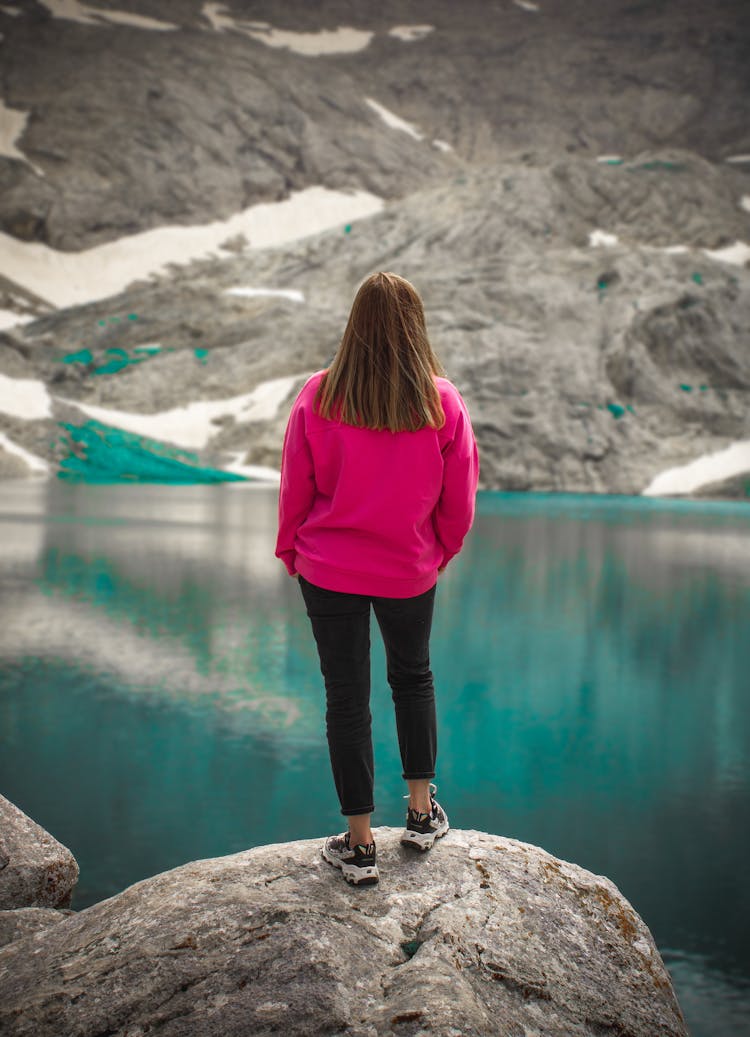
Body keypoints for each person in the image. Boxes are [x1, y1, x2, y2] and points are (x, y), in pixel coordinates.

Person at [274, 271, 479, 887]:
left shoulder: (320, 393)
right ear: (415, 327)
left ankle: (360, 846)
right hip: (408, 566)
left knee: (346, 697)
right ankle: (420, 815)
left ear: (354, 325)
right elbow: (460, 495)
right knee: (412, 678)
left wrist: (292, 549)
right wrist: (437, 550)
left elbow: (296, 484)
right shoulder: (440, 400)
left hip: (328, 567)